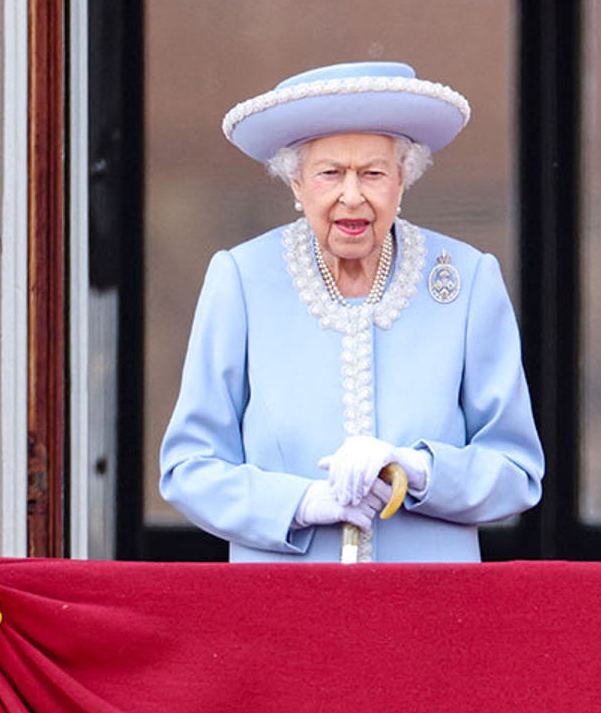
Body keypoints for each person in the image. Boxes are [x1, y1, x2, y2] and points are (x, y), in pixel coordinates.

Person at [160, 61, 544, 562]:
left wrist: (417, 470)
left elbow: (517, 472)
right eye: (330, 174)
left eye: (373, 173)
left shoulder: (468, 279)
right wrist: (300, 503)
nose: (352, 196)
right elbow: (188, 468)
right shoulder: (243, 279)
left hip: (429, 597)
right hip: (283, 597)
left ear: (402, 180)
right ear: (296, 183)